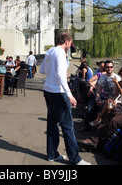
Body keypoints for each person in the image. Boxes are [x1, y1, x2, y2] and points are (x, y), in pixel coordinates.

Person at [77, 61, 122, 152]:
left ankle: (98, 144)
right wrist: (121, 107)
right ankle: (93, 140)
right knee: (107, 116)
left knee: (114, 121)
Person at [40, 32, 91, 165]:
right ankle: (75, 159)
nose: (70, 47)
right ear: (66, 42)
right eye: (70, 44)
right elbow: (61, 76)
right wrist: (69, 95)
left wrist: (56, 73)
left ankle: (52, 154)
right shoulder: (61, 53)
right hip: (59, 93)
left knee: (52, 124)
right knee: (67, 126)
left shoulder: (50, 51)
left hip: (48, 91)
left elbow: (42, 71)